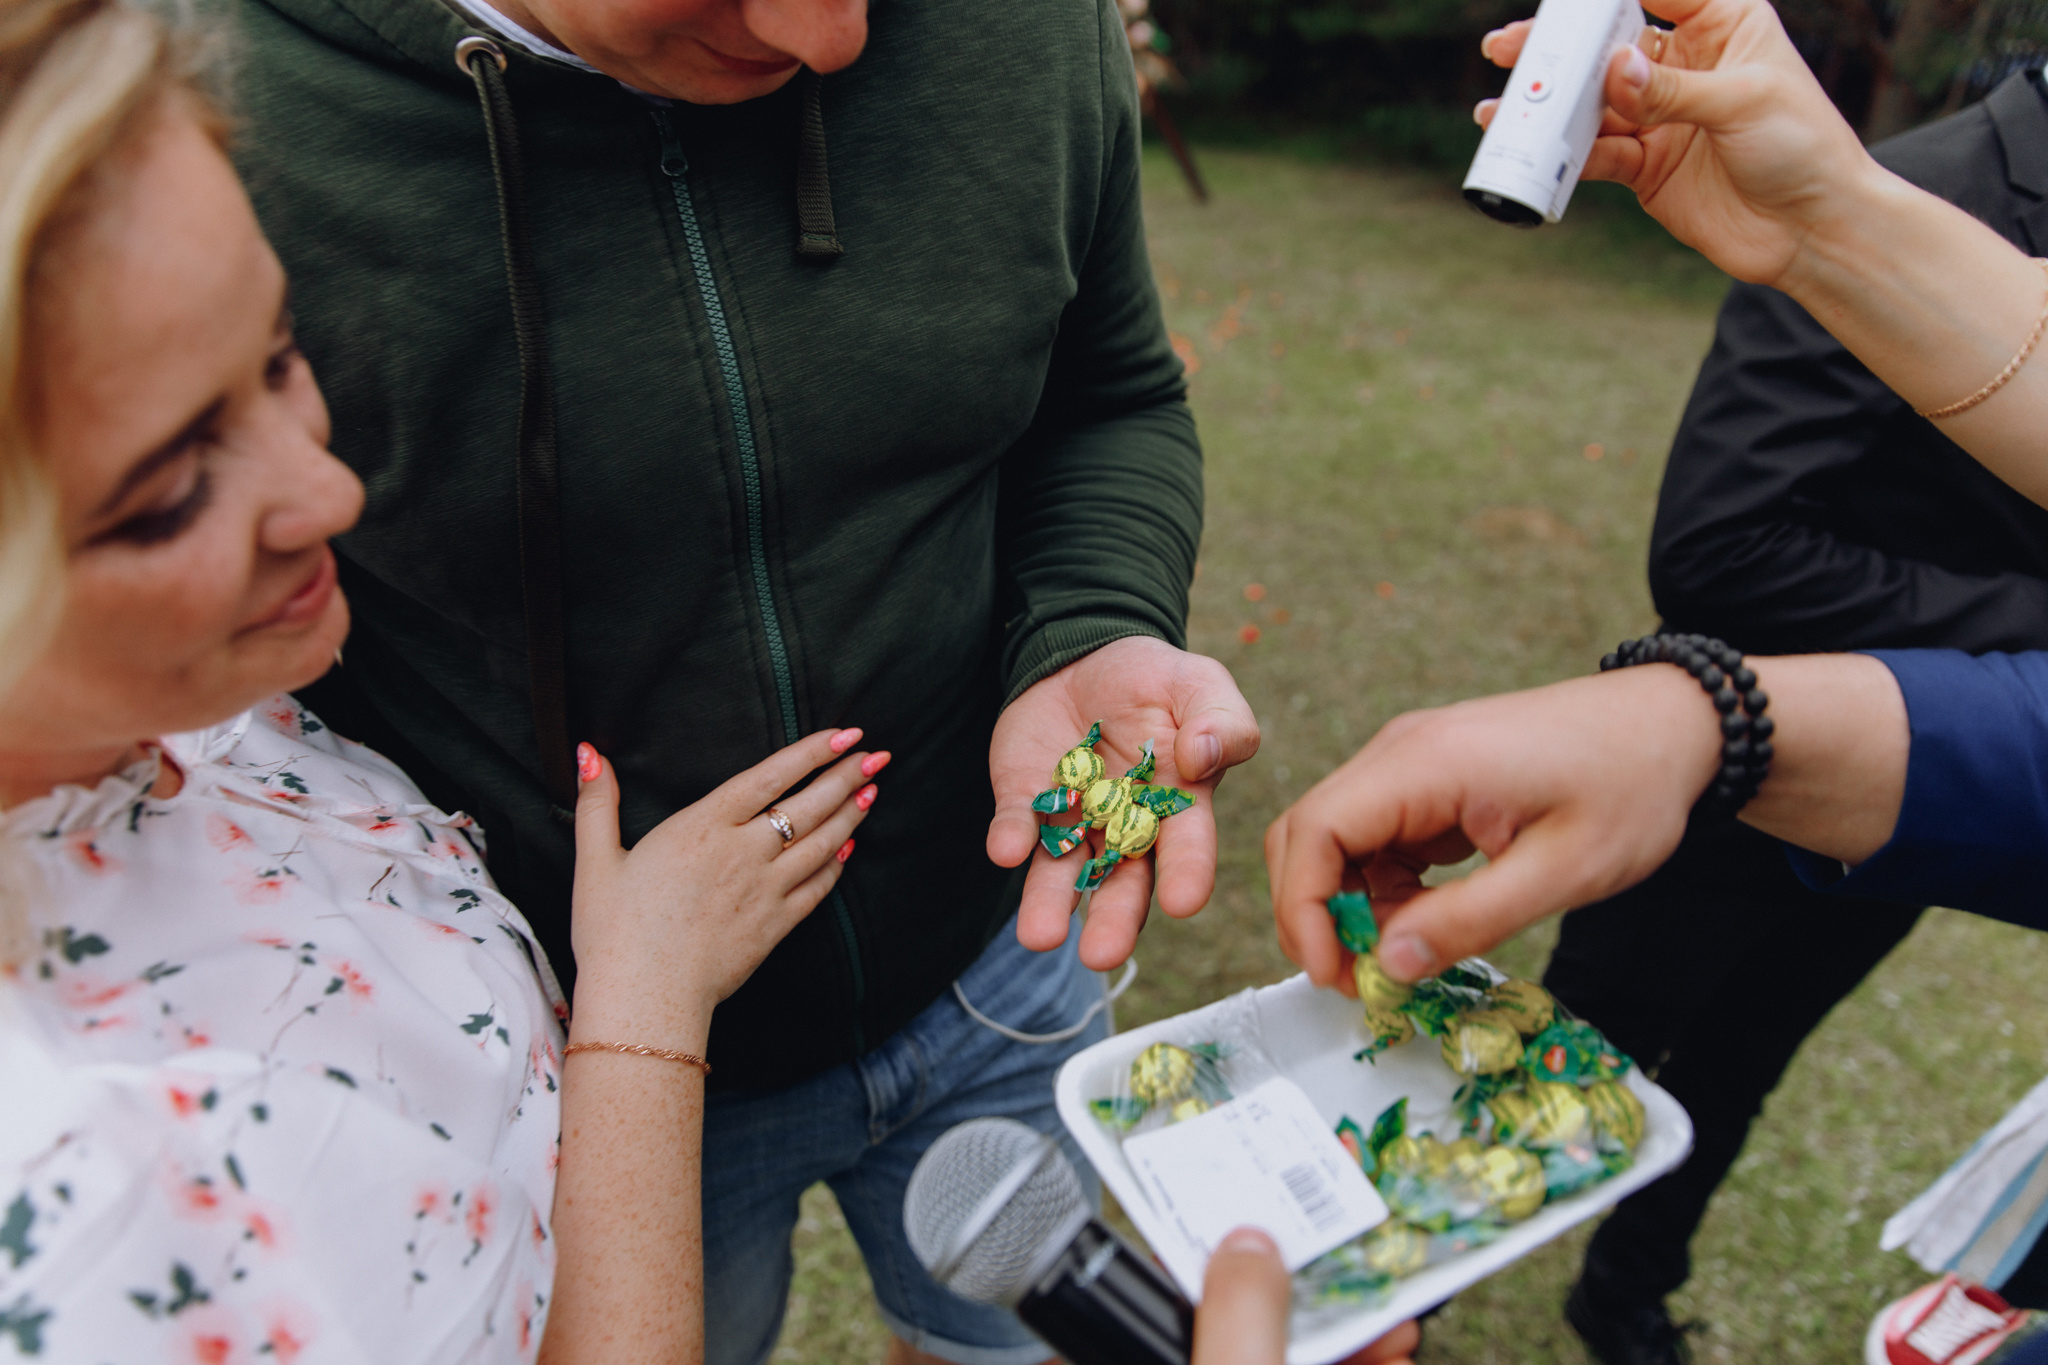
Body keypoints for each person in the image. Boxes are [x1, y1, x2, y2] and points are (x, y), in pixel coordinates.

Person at [214, 0, 1260, 1356]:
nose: (828, 39)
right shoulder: (197, 118)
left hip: (1006, 962)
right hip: (592, 1078)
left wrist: (1095, 623)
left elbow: (1110, 393)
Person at [0, 2, 876, 1358]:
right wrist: (643, 1005)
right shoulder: (85, 1208)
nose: (328, 488)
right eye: (170, 497)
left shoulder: (147, 704)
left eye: (278, 358)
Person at [1504, 54, 2048, 1365]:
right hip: (1713, 777)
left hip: (1929, 804)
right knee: (1566, 1070)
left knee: (1743, 1065)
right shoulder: (1913, 193)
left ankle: (1623, 1294)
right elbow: (1720, 549)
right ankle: (1401, 1302)